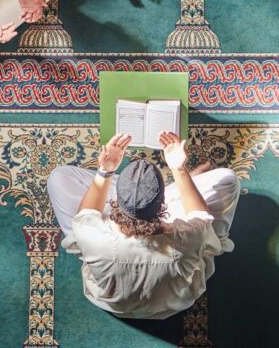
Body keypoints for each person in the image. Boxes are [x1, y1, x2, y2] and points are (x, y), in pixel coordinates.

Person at [47, 132, 240, 319]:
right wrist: (180, 171)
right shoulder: (189, 236)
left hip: (113, 301)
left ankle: (133, 188)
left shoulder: (92, 235)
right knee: (228, 179)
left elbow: (86, 214)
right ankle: (183, 193)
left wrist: (105, 171)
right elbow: (200, 215)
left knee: (58, 177)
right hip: (173, 302)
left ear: (116, 201)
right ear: (163, 203)